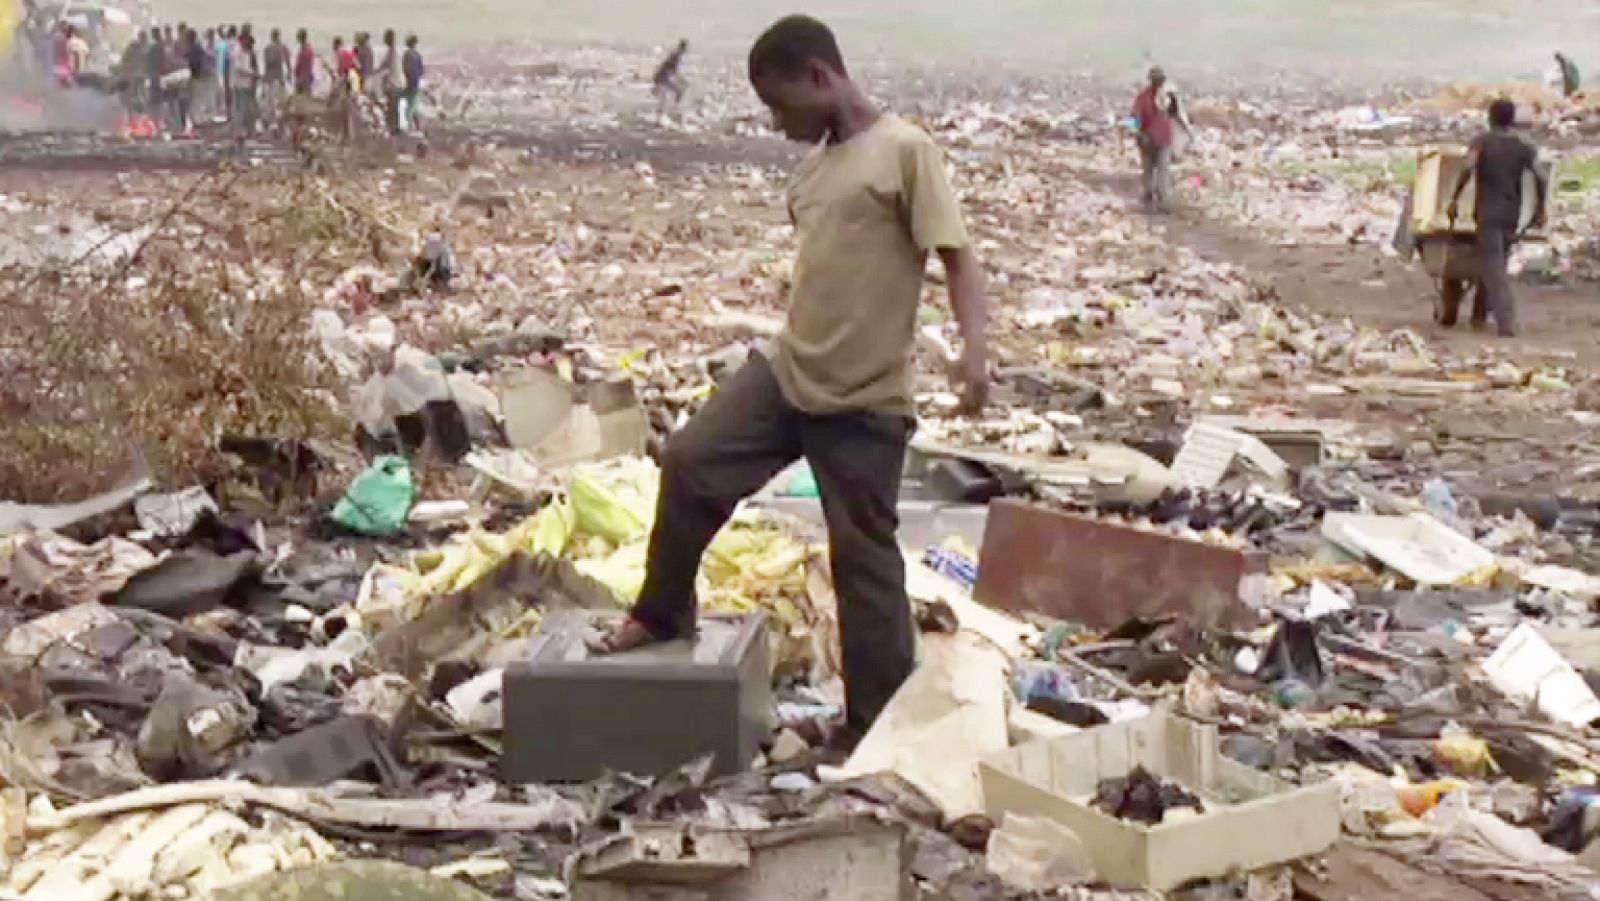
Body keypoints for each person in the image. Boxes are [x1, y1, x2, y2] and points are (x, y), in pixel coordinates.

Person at [588, 15, 988, 743]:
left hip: (865, 397)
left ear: (819, 76)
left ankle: (878, 730)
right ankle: (661, 610)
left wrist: (974, 349)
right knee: (689, 460)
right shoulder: (812, 170)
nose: (778, 126)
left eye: (781, 107)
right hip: (788, 371)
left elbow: (958, 257)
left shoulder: (905, 152)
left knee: (863, 558)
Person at [1448, 99, 1547, 338]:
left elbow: (1467, 168)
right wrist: (1540, 210)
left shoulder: (1482, 142)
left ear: (1490, 117)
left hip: (1487, 212)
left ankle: (1506, 321)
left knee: (1494, 268)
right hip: (1511, 213)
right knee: (1495, 262)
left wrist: (1454, 198)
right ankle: (1478, 315)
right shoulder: (1525, 146)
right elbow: (1541, 177)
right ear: (1512, 119)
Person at [1130, 66, 1191, 214]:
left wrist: (1187, 132)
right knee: (1149, 173)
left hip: (1163, 141)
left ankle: (1163, 203)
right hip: (1148, 141)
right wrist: (1137, 134)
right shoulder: (1143, 98)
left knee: (1162, 173)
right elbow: (1133, 118)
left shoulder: (1167, 97)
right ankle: (1150, 198)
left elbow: (1176, 115)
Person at [232, 31, 259, 135]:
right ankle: (240, 130)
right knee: (241, 108)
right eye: (246, 40)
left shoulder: (245, 51)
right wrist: (253, 74)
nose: (247, 42)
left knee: (246, 107)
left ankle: (245, 129)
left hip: (246, 83)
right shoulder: (238, 51)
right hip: (240, 84)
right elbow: (239, 68)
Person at [652, 38, 689, 112]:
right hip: (664, 77)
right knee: (676, 92)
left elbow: (671, 69)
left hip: (664, 77)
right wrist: (681, 79)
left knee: (673, 94)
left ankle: (671, 109)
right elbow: (672, 69)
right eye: (685, 48)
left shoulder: (675, 55)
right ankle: (673, 109)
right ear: (683, 47)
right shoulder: (676, 56)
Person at [377, 29, 402, 133]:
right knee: (394, 108)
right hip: (397, 84)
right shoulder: (394, 53)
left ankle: (393, 129)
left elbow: (382, 67)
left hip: (392, 85)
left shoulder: (391, 54)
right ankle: (395, 128)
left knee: (392, 109)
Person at [261, 28, 289, 122]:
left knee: (270, 102)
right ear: (278, 36)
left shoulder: (267, 48)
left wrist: (264, 79)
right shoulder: (283, 47)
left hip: (269, 78)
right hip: (279, 77)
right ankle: (278, 120)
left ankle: (270, 120)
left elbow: (266, 65)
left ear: (271, 37)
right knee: (280, 100)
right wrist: (289, 73)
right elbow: (287, 63)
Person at [400, 34, 423, 132]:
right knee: (415, 106)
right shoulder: (418, 55)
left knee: (407, 106)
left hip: (410, 83)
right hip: (416, 84)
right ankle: (418, 128)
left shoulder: (407, 54)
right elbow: (421, 70)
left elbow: (405, 69)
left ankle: (406, 128)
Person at [294, 28, 315, 95]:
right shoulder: (310, 48)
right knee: (307, 97)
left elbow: (298, 66)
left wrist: (295, 73)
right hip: (309, 76)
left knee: (299, 98)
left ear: (300, 38)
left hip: (302, 78)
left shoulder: (303, 50)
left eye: (298, 36)